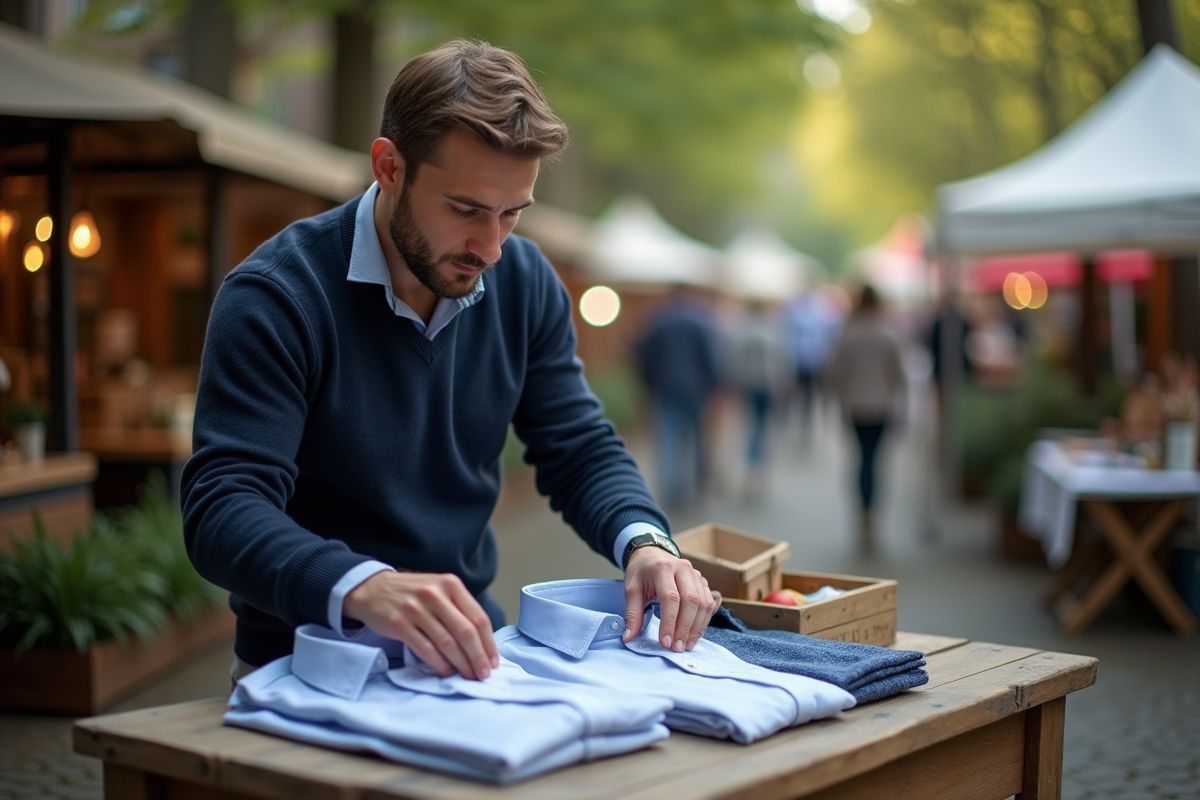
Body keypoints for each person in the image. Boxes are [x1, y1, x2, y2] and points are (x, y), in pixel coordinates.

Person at [181, 40, 717, 685]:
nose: (490, 247)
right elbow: (222, 506)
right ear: (389, 166)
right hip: (299, 666)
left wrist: (645, 542)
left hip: (470, 660)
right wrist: (364, 586)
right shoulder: (276, 295)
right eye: (464, 210)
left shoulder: (526, 282)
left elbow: (577, 446)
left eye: (511, 214)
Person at [824, 284, 907, 553]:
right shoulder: (888, 333)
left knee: (860, 459)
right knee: (875, 461)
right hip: (881, 406)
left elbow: (836, 373)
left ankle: (862, 513)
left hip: (855, 406)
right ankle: (872, 515)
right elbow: (898, 374)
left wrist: (839, 400)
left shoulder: (849, 333)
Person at [634, 283, 723, 509]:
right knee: (696, 439)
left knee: (668, 440)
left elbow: (644, 356)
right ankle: (695, 488)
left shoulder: (658, 321)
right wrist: (714, 385)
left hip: (665, 389)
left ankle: (671, 492)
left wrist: (648, 384)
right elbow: (710, 356)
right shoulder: (699, 320)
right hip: (696, 389)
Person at [729, 299, 789, 501]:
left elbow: (737, 362)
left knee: (752, 428)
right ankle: (758, 471)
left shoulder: (744, 334)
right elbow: (776, 363)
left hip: (749, 385)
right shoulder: (769, 333)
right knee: (762, 428)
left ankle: (751, 470)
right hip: (764, 386)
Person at [784, 288, 843, 445]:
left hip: (807, 363)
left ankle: (809, 426)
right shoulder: (821, 314)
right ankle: (814, 426)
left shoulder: (797, 313)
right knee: (812, 398)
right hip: (813, 363)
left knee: (806, 398)